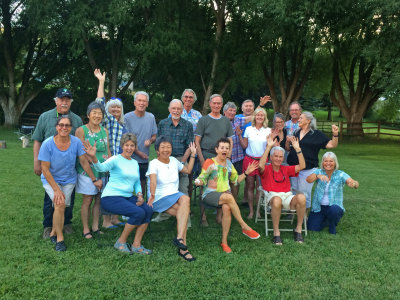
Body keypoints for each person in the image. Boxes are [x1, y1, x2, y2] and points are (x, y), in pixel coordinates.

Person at [84, 133, 153, 254]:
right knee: (138, 212)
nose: (129, 148)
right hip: (110, 197)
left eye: (132, 145)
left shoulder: (134, 163)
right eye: (127, 145)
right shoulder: (115, 159)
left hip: (127, 197)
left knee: (148, 210)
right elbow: (101, 168)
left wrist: (140, 195)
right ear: (122, 146)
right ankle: (121, 242)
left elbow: (137, 181)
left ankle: (136, 244)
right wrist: (94, 157)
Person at [39, 116, 96, 251]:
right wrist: (56, 190)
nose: (64, 128)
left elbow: (83, 161)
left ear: (71, 128)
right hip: (51, 179)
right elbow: (45, 169)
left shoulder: (76, 142)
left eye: (67, 125)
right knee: (60, 203)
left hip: (69, 179)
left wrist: (94, 179)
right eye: (61, 125)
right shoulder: (47, 144)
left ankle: (53, 231)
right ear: (57, 127)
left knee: (60, 207)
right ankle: (60, 239)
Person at [195, 138, 260, 254]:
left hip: (224, 196)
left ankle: (224, 242)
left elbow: (236, 181)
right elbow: (202, 177)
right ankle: (244, 226)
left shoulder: (229, 165)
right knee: (229, 197)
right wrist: (199, 181)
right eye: (222, 148)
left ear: (229, 151)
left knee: (227, 207)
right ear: (216, 149)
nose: (225, 150)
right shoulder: (210, 162)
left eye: (227, 148)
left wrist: (246, 173)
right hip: (209, 195)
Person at [33, 88, 83, 238]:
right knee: (51, 198)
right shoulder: (45, 117)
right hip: (50, 168)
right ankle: (48, 226)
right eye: (61, 99)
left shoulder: (77, 120)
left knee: (69, 197)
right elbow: (37, 140)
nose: (64, 102)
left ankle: (66, 222)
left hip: (69, 168)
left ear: (71, 102)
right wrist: (37, 161)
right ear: (56, 101)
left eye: (67, 100)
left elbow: (80, 143)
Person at [146, 136, 197, 262]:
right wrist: (152, 195)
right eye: (162, 147)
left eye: (168, 147)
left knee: (185, 200)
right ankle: (183, 249)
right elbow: (153, 181)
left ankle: (180, 241)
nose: (166, 150)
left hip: (174, 195)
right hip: (158, 197)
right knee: (183, 215)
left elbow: (188, 170)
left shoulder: (174, 161)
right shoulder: (154, 163)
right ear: (157, 150)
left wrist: (193, 155)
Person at [258, 135, 307, 245]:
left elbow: (302, 166)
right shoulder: (266, 168)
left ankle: (298, 229)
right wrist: (268, 147)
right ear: (271, 157)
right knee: (277, 200)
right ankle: (276, 232)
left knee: (302, 197)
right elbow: (260, 165)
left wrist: (298, 149)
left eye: (281, 157)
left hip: (287, 196)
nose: (278, 159)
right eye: (276, 156)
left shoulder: (286, 168)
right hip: (272, 196)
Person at [94, 69, 126, 229]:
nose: (115, 111)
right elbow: (99, 102)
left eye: (118, 108)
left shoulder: (123, 125)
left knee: (118, 191)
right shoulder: (108, 122)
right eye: (112, 108)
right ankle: (106, 221)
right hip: (109, 164)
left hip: (119, 165)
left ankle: (115, 218)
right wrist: (101, 82)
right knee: (107, 192)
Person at [194, 94, 233, 226]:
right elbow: (197, 141)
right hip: (206, 155)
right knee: (204, 185)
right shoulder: (203, 120)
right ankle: (203, 216)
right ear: (210, 104)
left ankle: (219, 215)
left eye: (219, 103)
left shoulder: (226, 121)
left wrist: (227, 157)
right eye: (214, 103)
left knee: (223, 185)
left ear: (222, 105)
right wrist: (201, 159)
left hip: (222, 158)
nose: (216, 106)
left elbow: (230, 140)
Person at [286, 112, 339, 209]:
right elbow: (290, 149)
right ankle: (293, 213)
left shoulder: (316, 134)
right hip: (293, 168)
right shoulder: (296, 132)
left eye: (301, 118)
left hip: (308, 169)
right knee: (293, 191)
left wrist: (335, 134)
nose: (298, 120)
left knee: (304, 194)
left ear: (308, 120)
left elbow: (332, 145)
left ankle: (304, 216)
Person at [75, 102, 111, 239]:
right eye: (94, 113)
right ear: (88, 114)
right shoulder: (81, 130)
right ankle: (86, 229)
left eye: (100, 113)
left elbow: (108, 150)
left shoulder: (104, 131)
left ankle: (95, 226)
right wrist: (93, 177)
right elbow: (82, 155)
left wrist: (109, 165)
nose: (97, 116)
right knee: (88, 199)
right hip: (88, 171)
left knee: (98, 199)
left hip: (102, 170)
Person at [306, 152, 359, 234]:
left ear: (335, 163)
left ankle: (332, 225)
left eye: (331, 161)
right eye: (326, 161)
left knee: (334, 210)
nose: (328, 163)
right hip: (319, 207)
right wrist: (318, 176)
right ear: (322, 162)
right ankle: (326, 220)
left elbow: (352, 181)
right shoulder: (319, 171)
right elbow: (308, 180)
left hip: (333, 206)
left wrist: (354, 184)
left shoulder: (340, 174)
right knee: (312, 228)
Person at [240, 107, 271, 219]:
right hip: (249, 159)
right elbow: (244, 145)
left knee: (259, 187)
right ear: (254, 116)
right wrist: (239, 135)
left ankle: (257, 211)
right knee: (249, 185)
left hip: (262, 161)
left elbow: (269, 146)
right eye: (258, 115)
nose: (259, 117)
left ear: (264, 117)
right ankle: (251, 211)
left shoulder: (268, 130)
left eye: (262, 115)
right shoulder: (249, 129)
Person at [157, 99, 194, 195]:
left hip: (181, 158)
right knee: (166, 187)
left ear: (182, 111)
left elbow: (190, 146)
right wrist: (162, 160)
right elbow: (158, 145)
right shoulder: (162, 124)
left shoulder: (188, 125)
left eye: (178, 109)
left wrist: (182, 163)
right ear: (169, 109)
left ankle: (184, 208)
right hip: (165, 159)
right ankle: (167, 208)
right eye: (173, 108)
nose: (176, 111)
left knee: (183, 189)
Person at [124, 91, 157, 197]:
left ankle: (141, 203)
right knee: (128, 183)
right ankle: (127, 206)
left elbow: (154, 135)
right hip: (129, 158)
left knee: (142, 182)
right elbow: (127, 140)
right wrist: (138, 152)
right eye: (139, 100)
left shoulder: (151, 117)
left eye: (144, 101)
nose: (142, 103)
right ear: (135, 103)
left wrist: (150, 141)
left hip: (144, 159)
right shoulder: (127, 117)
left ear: (147, 104)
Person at [180, 89, 202, 199]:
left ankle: (187, 205)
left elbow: (201, 133)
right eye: (186, 96)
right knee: (177, 177)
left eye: (191, 97)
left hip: (193, 151)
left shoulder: (198, 115)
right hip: (179, 149)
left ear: (194, 100)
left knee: (189, 178)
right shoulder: (176, 111)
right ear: (183, 98)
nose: (188, 99)